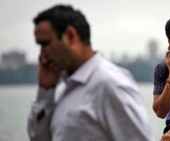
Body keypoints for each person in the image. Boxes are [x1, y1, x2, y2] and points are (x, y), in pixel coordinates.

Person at [27, 4, 155, 141]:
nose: (42, 54)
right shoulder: (62, 88)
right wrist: (45, 91)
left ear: (70, 36)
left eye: (45, 44)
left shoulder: (111, 84)